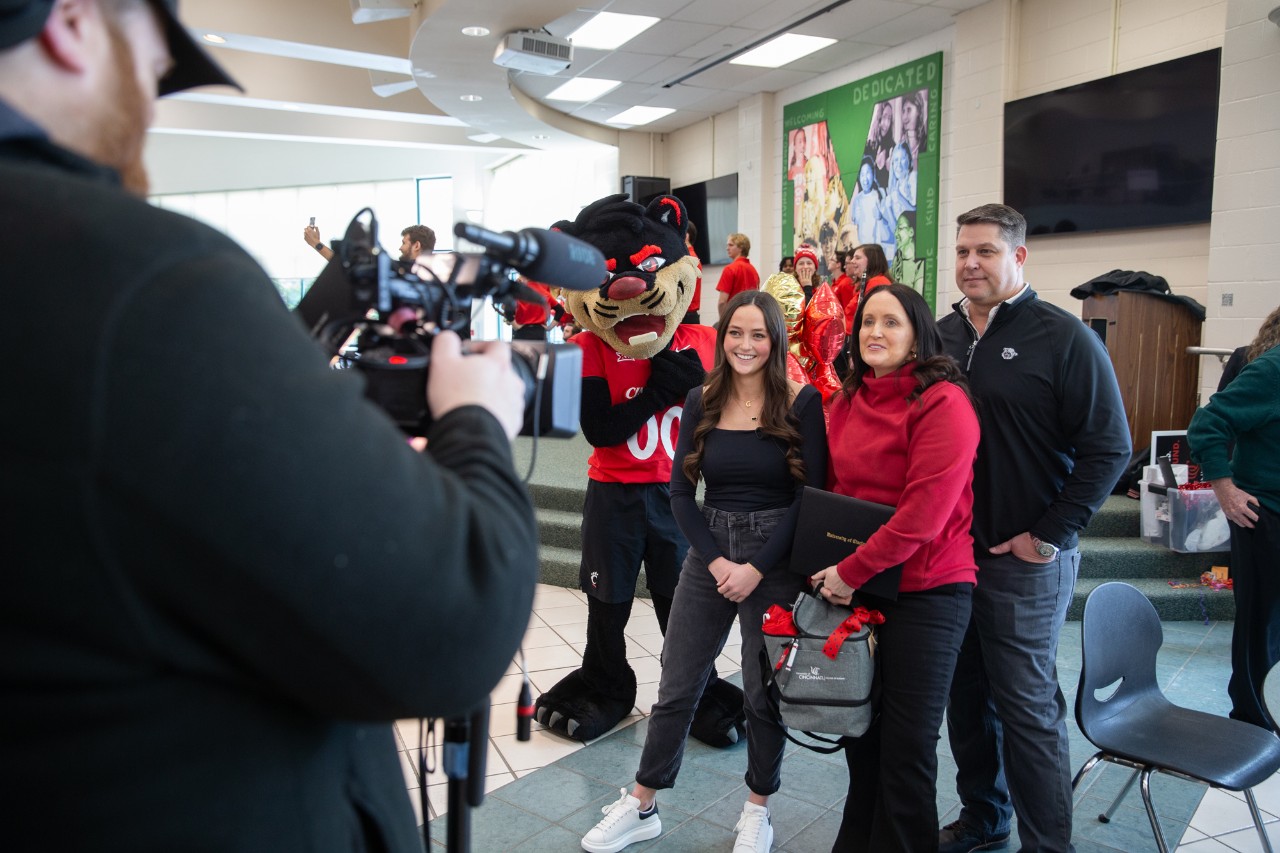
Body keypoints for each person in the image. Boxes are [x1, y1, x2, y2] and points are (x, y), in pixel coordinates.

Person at [0, 2, 539, 850]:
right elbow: (453, 619)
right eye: (152, 62)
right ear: (72, 21)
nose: (149, 96)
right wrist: (477, 415)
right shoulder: (152, 283)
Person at [581, 291, 827, 853]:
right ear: (723, 337)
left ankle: (757, 809)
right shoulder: (702, 399)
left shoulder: (802, 401)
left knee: (763, 691)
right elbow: (679, 493)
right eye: (736, 333)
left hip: (776, 554)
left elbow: (810, 497)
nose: (746, 345)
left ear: (775, 339)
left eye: (758, 335)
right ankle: (642, 803)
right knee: (678, 682)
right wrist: (717, 561)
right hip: (709, 548)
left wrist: (757, 568)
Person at [938, 204, 1130, 853]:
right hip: (950, 558)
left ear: (1019, 258)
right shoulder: (941, 337)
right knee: (965, 699)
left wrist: (1047, 535)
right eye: (963, 250)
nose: (970, 262)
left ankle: (1049, 844)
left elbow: (1110, 448)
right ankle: (985, 815)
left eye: (986, 251)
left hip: (1027, 562)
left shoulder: (1064, 337)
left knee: (1025, 707)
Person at [810, 283, 979, 852]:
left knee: (906, 749)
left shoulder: (943, 402)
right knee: (863, 738)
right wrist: (826, 566)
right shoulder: (846, 400)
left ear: (916, 336)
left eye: (891, 323)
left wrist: (848, 572)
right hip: (862, 588)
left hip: (930, 590)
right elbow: (836, 494)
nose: (875, 333)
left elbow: (923, 516)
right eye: (866, 323)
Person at [1188, 306, 1280, 731]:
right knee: (1262, 628)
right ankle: (1252, 723)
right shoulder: (1273, 369)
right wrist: (1223, 487)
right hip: (1264, 516)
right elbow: (1209, 422)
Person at [305, 222, 433, 263]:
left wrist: (316, 244)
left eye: (404, 243)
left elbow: (344, 265)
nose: (400, 248)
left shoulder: (401, 274)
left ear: (416, 245)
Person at [717, 231, 760, 311]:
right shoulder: (754, 271)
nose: (727, 248)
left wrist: (723, 321)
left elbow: (722, 302)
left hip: (734, 315)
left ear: (741, 248)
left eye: (731, 245)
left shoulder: (730, 269)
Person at [851, 155, 887, 246]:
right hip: (862, 248)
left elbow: (889, 230)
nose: (865, 179)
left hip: (878, 249)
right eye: (862, 175)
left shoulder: (880, 194)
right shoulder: (857, 200)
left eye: (868, 173)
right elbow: (854, 230)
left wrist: (880, 218)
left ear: (873, 173)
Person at [889, 211, 926, 294]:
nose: (896, 234)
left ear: (911, 232)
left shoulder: (920, 264)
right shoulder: (896, 261)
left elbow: (917, 299)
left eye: (900, 228)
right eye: (896, 229)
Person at [683, 220, 704, 324]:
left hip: (686, 316)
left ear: (686, 235)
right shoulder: (690, 257)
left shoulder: (688, 258)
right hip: (688, 315)